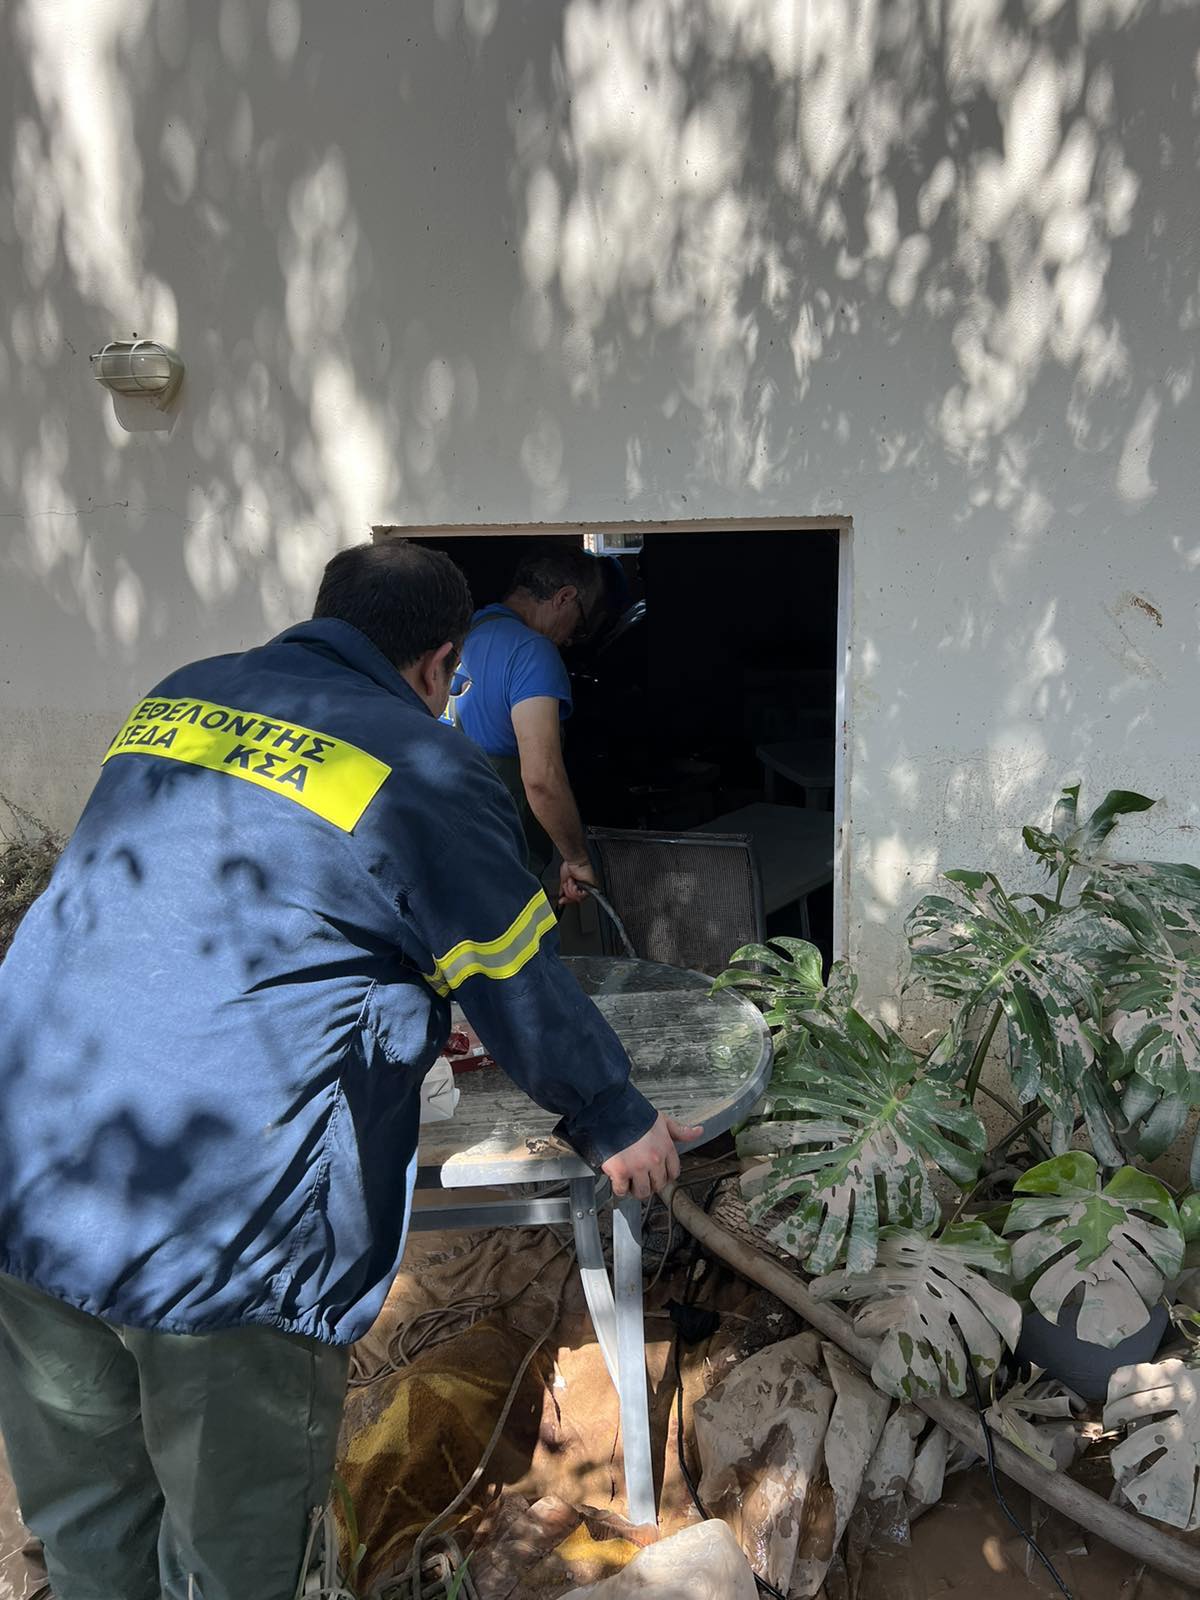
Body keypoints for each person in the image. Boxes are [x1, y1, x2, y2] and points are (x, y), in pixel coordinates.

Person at [0, 539, 698, 1600]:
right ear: (441, 663)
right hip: (219, 1239)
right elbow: (512, 973)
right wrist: (611, 1113)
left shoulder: (181, 699)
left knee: (93, 1529)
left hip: (31, 1164)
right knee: (235, 1563)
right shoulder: (423, 764)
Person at [450, 543, 601, 902]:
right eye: (579, 624)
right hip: (497, 864)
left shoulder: (462, 633)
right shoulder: (532, 652)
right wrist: (577, 859)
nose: (570, 639)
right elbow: (541, 778)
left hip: (442, 852)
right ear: (565, 597)